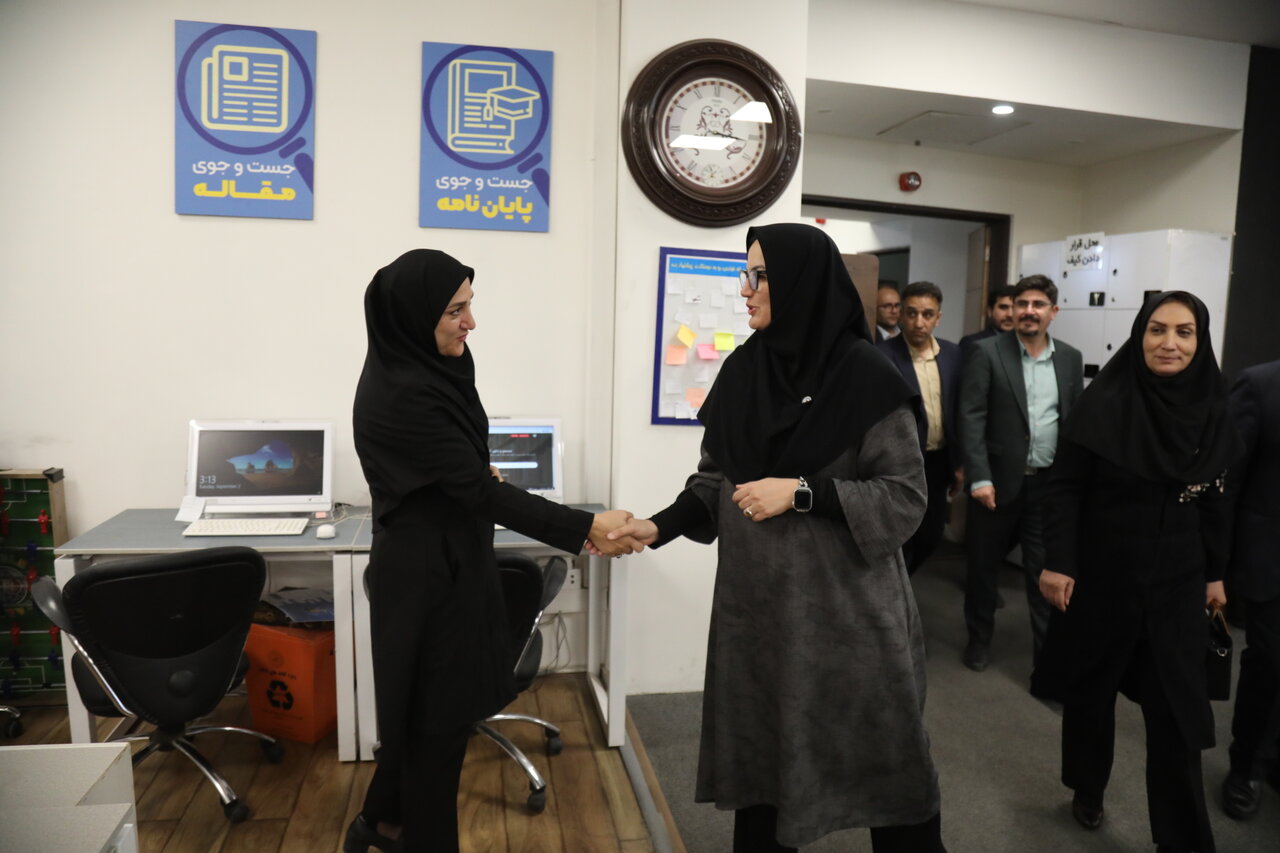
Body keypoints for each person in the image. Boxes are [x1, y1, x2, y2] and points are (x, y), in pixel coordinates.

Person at [610, 224, 946, 852]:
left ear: (801, 284)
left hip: (848, 619)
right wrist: (658, 526)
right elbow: (716, 478)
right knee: (763, 763)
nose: (746, 289)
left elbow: (905, 498)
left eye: (760, 276)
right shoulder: (745, 370)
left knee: (885, 764)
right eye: (746, 274)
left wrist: (803, 491)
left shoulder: (868, 378)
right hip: (759, 614)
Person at [348, 249, 639, 853]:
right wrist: (587, 526)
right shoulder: (403, 393)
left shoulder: (434, 367)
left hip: (455, 563)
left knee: (432, 718)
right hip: (426, 577)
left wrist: (474, 473)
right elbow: (476, 490)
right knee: (433, 727)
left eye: (470, 305)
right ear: (414, 316)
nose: (471, 323)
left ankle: (379, 823)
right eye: (455, 310)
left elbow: (464, 471)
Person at [1035, 291, 1236, 853]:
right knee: (1092, 695)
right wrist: (1059, 561)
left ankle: (1183, 840)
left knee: (1177, 716)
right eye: (1157, 330)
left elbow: (1217, 501)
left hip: (1177, 583)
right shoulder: (1105, 401)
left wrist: (1216, 574)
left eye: (1184, 332)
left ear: (1200, 340)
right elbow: (1065, 487)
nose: (1169, 343)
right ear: (1140, 335)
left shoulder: (1214, 406)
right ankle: (1087, 785)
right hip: (1104, 576)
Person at [957, 274, 1083, 672]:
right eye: (1022, 304)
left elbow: (1073, 421)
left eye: (1038, 304)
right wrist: (979, 477)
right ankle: (979, 639)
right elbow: (972, 416)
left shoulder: (1070, 357)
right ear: (1012, 309)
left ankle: (1047, 663)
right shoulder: (987, 352)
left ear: (1053, 312)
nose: (1029, 311)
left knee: (1043, 572)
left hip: (1047, 486)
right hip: (995, 484)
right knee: (983, 569)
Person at [1221, 358, 1280, 820]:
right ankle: (1247, 767)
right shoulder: (1260, 385)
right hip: (1271, 561)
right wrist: (1216, 567)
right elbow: (1228, 480)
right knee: (1270, 664)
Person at [877, 280, 963, 574]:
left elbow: (959, 410)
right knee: (900, 535)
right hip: (899, 462)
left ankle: (904, 582)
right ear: (901, 314)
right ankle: (897, 590)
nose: (918, 322)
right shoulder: (882, 355)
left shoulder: (953, 354)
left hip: (938, 461)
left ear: (938, 317)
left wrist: (959, 463)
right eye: (912, 313)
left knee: (932, 533)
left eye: (927, 314)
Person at [959, 284, 1016, 354]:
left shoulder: (1025, 344)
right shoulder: (973, 343)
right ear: (990, 311)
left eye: (1015, 308)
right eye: (1003, 307)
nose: (1010, 314)